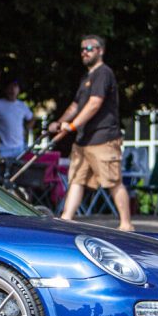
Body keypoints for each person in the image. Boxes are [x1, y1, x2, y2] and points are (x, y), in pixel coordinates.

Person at [50, 35, 134, 231]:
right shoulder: (86, 78)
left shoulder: (104, 73)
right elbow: (76, 105)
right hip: (83, 140)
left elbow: (94, 104)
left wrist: (72, 126)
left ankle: (126, 224)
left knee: (113, 181)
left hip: (103, 138)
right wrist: (60, 122)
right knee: (76, 180)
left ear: (100, 51)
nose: (85, 52)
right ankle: (66, 219)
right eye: (82, 49)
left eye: (89, 48)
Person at [0, 78, 34, 159]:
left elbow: (32, 118)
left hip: (20, 148)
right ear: (5, 89)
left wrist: (26, 129)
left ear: (19, 89)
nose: (12, 90)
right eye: (10, 87)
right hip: (3, 149)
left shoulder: (22, 105)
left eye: (15, 87)